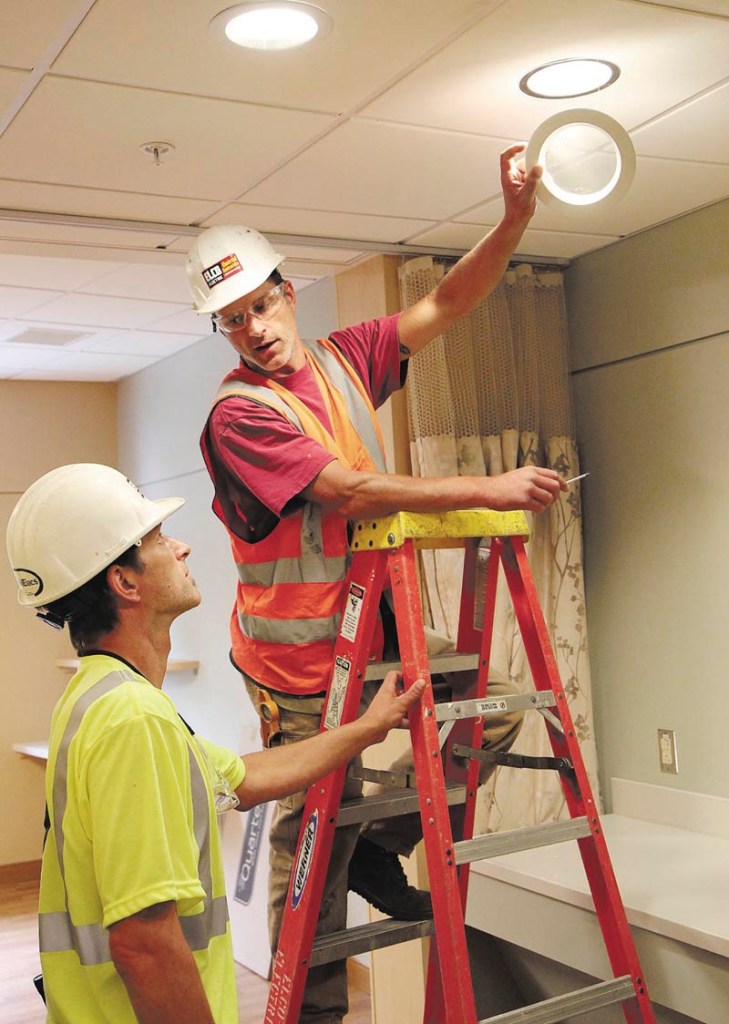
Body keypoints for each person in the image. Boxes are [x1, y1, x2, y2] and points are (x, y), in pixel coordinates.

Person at [186, 144, 568, 1023]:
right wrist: (487, 486)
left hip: (379, 625)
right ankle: (313, 1010)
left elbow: (444, 301)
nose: (253, 327)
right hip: (298, 658)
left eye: (259, 304)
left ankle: (378, 843)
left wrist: (512, 221)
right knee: (312, 823)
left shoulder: (342, 360)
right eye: (232, 320)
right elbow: (343, 490)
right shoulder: (239, 411)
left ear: (287, 290)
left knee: (496, 704)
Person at [5, 463, 425, 1024]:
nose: (180, 548)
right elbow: (144, 944)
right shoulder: (133, 720)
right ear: (124, 582)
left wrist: (368, 728)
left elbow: (245, 778)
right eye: (157, 540)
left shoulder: (100, 697)